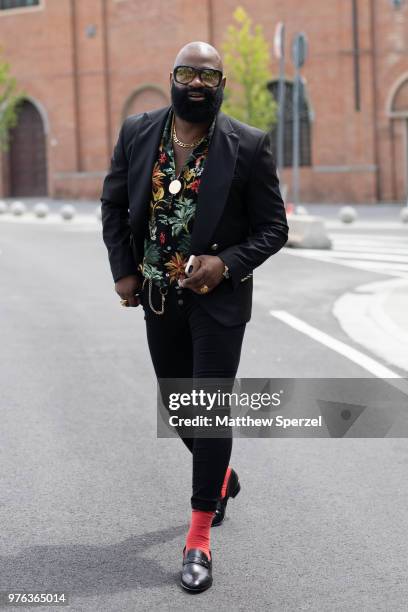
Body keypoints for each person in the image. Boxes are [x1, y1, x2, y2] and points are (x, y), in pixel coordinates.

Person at [100, 40, 288, 593]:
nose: (197, 82)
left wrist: (226, 264)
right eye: (188, 72)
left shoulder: (248, 146)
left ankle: (199, 536)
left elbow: (274, 229)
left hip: (220, 302)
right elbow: (113, 204)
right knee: (179, 409)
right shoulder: (138, 132)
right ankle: (222, 477)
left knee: (208, 409)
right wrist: (123, 270)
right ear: (172, 77)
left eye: (209, 74)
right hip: (158, 297)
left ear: (222, 83)